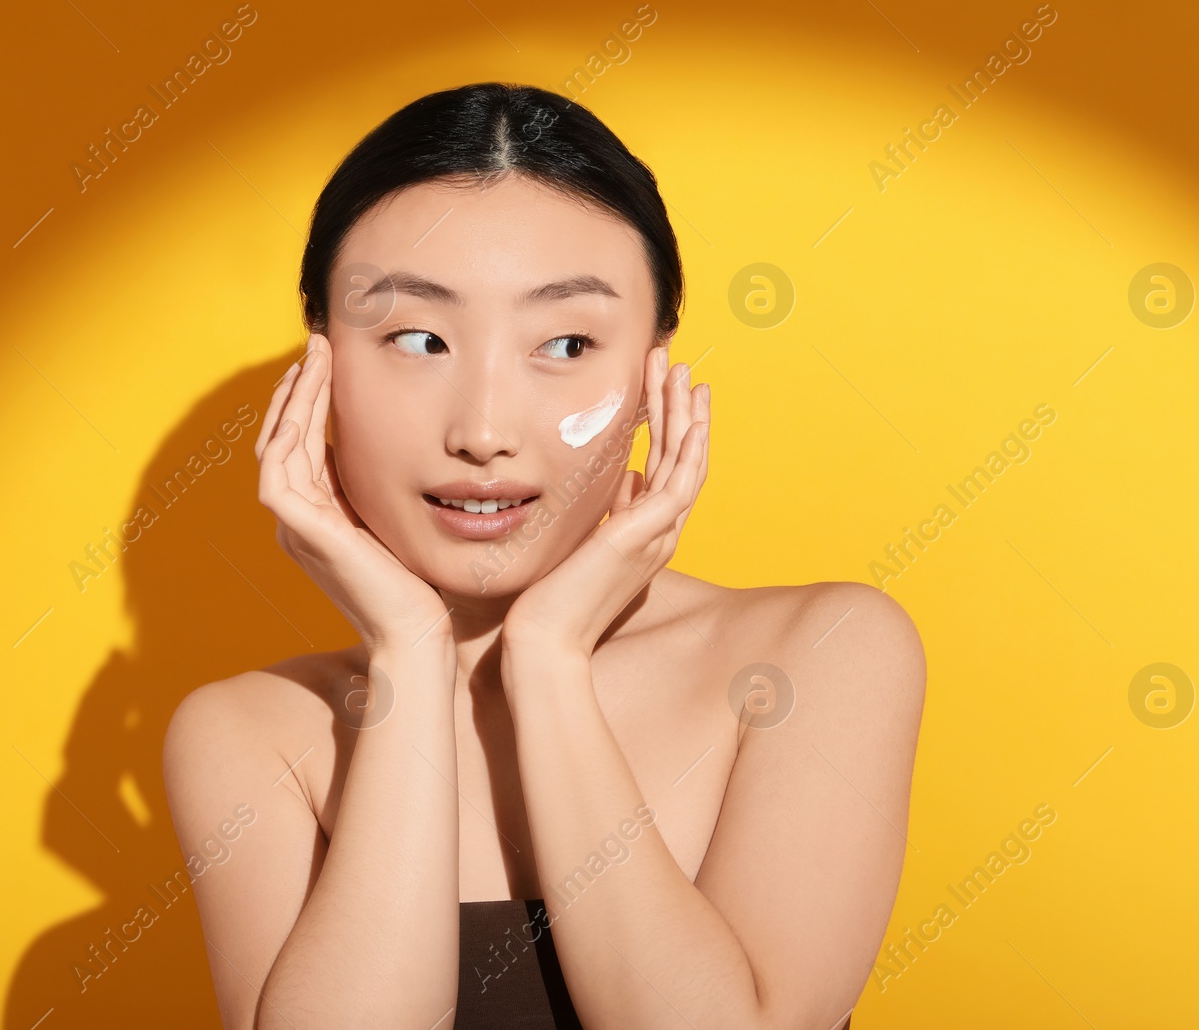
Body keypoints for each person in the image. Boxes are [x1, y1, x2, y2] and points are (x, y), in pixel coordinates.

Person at [162, 81, 926, 1029]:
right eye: (417, 338)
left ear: (654, 373)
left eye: (566, 342)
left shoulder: (818, 654)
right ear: (317, 374)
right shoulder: (254, 736)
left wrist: (549, 658)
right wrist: (409, 648)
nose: (483, 430)